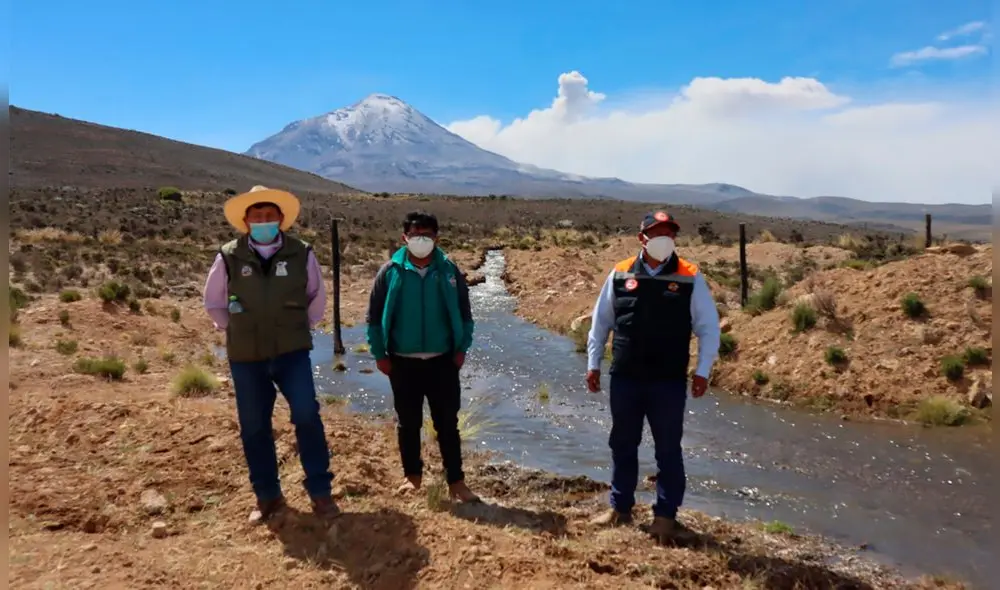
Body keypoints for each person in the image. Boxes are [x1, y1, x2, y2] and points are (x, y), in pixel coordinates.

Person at [203, 185, 338, 524]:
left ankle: (320, 492)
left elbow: (316, 296)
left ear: (281, 219)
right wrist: (233, 328)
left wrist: (299, 326)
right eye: (257, 216)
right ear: (246, 221)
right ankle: (267, 495)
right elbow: (214, 301)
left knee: (307, 415)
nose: (264, 221)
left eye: (270, 216)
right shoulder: (229, 255)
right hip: (246, 356)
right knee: (253, 426)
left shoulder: (301, 252)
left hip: (292, 352)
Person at [585, 210, 721, 540]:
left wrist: (703, 371)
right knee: (622, 443)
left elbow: (708, 328)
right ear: (642, 237)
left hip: (668, 380)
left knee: (668, 449)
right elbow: (601, 322)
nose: (664, 239)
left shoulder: (690, 275)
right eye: (657, 232)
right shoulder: (620, 273)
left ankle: (665, 517)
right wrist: (593, 364)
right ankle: (620, 508)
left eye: (669, 233)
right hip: (626, 376)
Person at [365, 211, 480, 503]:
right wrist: (380, 355)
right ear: (404, 238)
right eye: (415, 235)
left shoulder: (449, 270)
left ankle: (456, 482)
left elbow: (466, 314)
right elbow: (374, 318)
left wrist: (461, 349)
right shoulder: (390, 271)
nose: (421, 240)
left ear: (436, 237)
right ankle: (412, 477)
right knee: (408, 423)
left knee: (447, 424)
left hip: (443, 361)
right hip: (402, 362)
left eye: (427, 235)